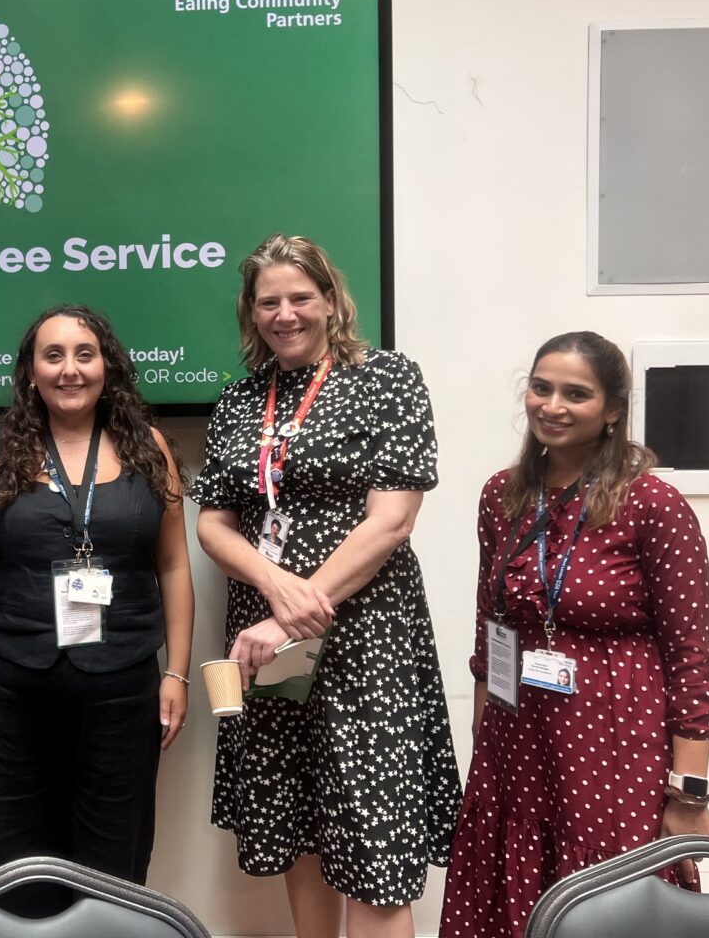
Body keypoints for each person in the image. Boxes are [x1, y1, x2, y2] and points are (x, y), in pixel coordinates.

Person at [191, 234, 459, 938]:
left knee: (374, 846)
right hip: (266, 643)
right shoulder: (241, 400)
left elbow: (392, 520)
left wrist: (292, 611)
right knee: (300, 826)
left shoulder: (388, 379)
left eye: (299, 297)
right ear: (251, 312)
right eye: (268, 301)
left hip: (365, 636)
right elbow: (214, 524)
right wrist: (275, 586)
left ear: (331, 299)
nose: (285, 314)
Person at [440, 331, 709, 938]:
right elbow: (492, 628)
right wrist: (484, 744)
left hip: (613, 744)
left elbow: (692, 658)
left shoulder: (653, 504)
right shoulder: (502, 495)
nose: (553, 406)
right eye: (541, 388)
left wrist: (687, 794)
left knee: (609, 903)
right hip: (517, 742)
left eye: (576, 394)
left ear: (613, 410)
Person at [0, 305, 194, 912]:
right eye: (53, 355)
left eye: (84, 354)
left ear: (107, 366)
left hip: (123, 679)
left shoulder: (150, 448)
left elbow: (173, 565)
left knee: (115, 847)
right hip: (18, 677)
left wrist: (177, 672)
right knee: (23, 849)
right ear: (31, 371)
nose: (70, 370)